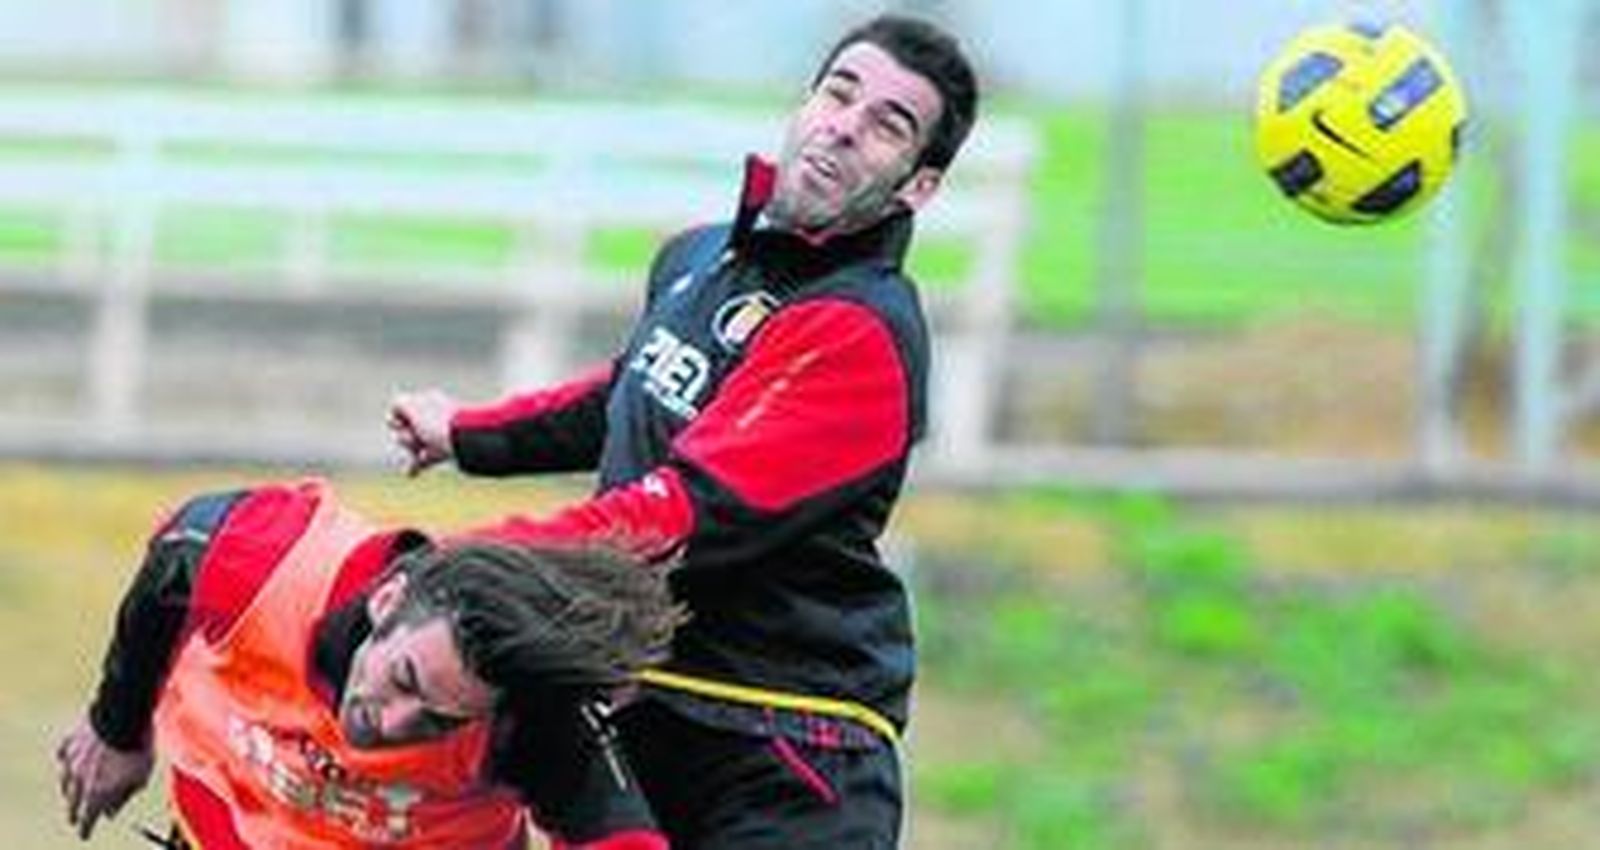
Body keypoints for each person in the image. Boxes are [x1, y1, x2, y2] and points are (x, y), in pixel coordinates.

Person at [387, 14, 979, 849]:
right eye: (840, 93)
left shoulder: (860, 331)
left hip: (791, 748)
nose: (846, 126)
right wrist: (468, 434)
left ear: (918, 185)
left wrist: (462, 566)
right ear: (806, 103)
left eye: (889, 125)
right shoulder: (702, 257)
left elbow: (679, 512)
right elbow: (633, 389)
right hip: (646, 709)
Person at [53, 479, 680, 849]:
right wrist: (116, 726)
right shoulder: (270, 560)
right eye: (404, 680)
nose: (394, 722)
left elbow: (621, 834)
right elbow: (177, 554)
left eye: (438, 721)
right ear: (388, 600)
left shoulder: (524, 713)